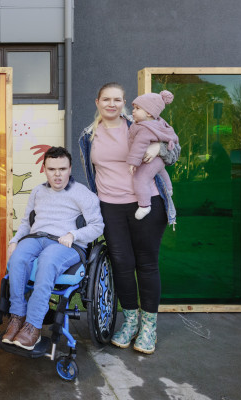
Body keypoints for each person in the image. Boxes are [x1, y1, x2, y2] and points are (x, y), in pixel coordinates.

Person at [78, 82, 180, 354]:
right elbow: (92, 175)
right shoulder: (88, 136)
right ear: (97, 102)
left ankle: (149, 328)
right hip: (110, 208)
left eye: (117, 99)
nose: (112, 104)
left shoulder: (140, 124)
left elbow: (175, 151)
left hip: (146, 204)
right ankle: (130, 322)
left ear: (124, 103)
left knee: (146, 264)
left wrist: (160, 149)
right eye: (106, 99)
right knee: (122, 264)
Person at [2, 146, 104, 351]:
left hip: (66, 243)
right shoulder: (38, 191)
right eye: (52, 169)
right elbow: (25, 222)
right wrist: (15, 241)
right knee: (17, 258)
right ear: (44, 169)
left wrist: (73, 235)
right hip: (36, 237)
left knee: (47, 261)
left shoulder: (82, 193)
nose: (57, 174)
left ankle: (33, 326)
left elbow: (97, 225)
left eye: (62, 169)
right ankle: (17, 317)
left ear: (70, 168)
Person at [127, 90, 179, 220]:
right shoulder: (159, 123)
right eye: (134, 108)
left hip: (151, 159)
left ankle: (144, 205)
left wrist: (133, 162)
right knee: (161, 170)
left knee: (140, 178)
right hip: (158, 160)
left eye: (138, 108)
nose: (133, 111)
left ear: (149, 113)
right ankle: (169, 189)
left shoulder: (144, 128)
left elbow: (139, 146)